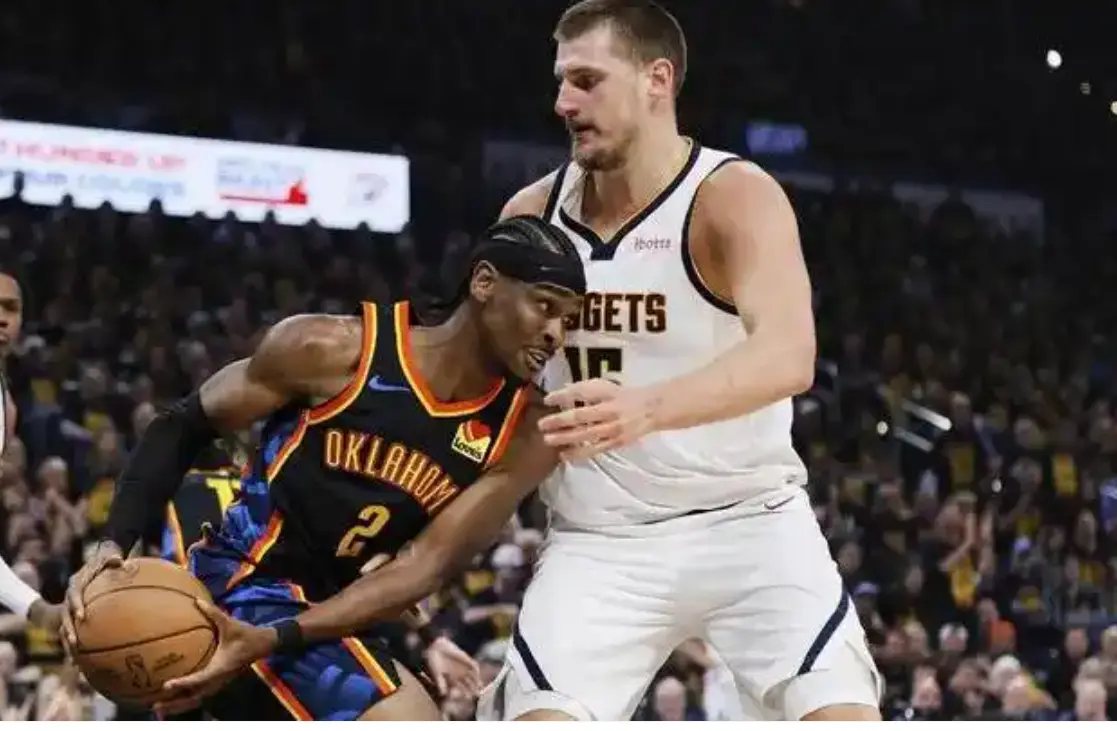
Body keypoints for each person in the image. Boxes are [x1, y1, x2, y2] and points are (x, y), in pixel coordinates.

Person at [475, 0, 881, 722]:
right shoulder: (530, 217)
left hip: (750, 519)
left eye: (586, 81)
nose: (563, 103)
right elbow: (482, 386)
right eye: (561, 82)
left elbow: (788, 353)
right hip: (600, 538)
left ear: (656, 80)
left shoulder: (731, 195)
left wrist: (646, 408)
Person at [62, 215, 585, 721]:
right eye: (545, 306)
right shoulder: (332, 349)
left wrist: (285, 637)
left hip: (333, 613)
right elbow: (182, 425)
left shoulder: (526, 430)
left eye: (568, 320)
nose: (555, 334)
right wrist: (112, 545)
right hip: (246, 582)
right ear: (484, 282)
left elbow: (423, 567)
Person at [161, 454, 483, 703]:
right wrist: (430, 636)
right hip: (302, 632)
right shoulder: (277, 479)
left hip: (216, 627)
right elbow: (373, 573)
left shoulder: (178, 490)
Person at [0, 267, 62, 635]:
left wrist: (37, 610)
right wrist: (35, 609)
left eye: (10, 308)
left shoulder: (7, 408)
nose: (1, 318)